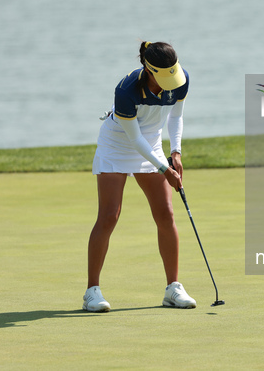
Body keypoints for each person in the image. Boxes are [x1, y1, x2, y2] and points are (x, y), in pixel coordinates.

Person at [82, 41, 196, 312]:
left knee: (166, 213)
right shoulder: (127, 89)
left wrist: (176, 152)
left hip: (152, 143)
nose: (170, 79)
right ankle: (92, 291)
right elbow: (134, 140)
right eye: (163, 74)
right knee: (109, 215)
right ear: (148, 69)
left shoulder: (180, 80)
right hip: (117, 144)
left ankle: (173, 288)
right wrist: (164, 169)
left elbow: (175, 117)